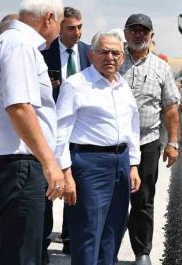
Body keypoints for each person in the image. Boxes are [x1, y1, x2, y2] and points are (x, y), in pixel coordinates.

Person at [0, 0, 66, 265]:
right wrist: (50, 162)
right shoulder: (20, 47)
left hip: (1, 166)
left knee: (16, 252)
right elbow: (19, 107)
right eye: (60, 23)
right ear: (49, 18)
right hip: (18, 168)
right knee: (23, 256)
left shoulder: (0, 44)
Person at [56, 31, 141, 265]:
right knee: (88, 233)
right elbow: (60, 132)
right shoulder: (76, 85)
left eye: (115, 53)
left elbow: (132, 127)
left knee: (114, 230)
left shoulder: (123, 86)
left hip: (121, 163)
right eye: (103, 52)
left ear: (123, 57)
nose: (110, 57)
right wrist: (65, 173)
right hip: (89, 164)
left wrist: (133, 165)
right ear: (91, 55)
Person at [120, 13, 181, 265]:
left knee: (143, 198)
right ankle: (107, 246)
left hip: (147, 143)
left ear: (151, 36)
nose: (138, 34)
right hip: (114, 145)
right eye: (133, 30)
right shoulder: (113, 60)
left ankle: (142, 252)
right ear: (125, 33)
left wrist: (173, 142)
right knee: (113, 198)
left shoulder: (162, 68)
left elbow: (170, 108)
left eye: (143, 31)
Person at [40, 6, 91, 258]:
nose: (78, 33)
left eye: (80, 27)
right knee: (48, 187)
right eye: (71, 28)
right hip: (49, 132)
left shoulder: (88, 53)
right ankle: (42, 242)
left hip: (79, 132)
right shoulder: (43, 54)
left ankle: (71, 238)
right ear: (59, 26)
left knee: (75, 186)